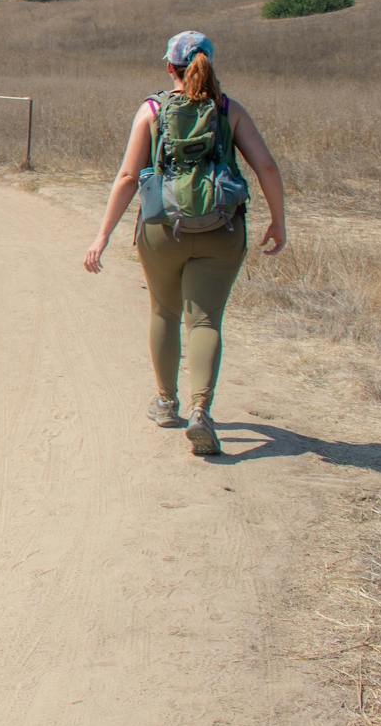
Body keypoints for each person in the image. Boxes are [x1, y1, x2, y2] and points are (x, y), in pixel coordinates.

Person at [83, 31, 286, 456]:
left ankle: (165, 402)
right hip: (222, 229)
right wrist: (277, 221)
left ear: (169, 68)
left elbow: (126, 176)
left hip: (161, 229)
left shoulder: (152, 110)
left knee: (164, 311)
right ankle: (202, 410)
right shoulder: (229, 111)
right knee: (205, 321)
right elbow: (265, 164)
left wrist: (102, 236)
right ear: (210, 64)